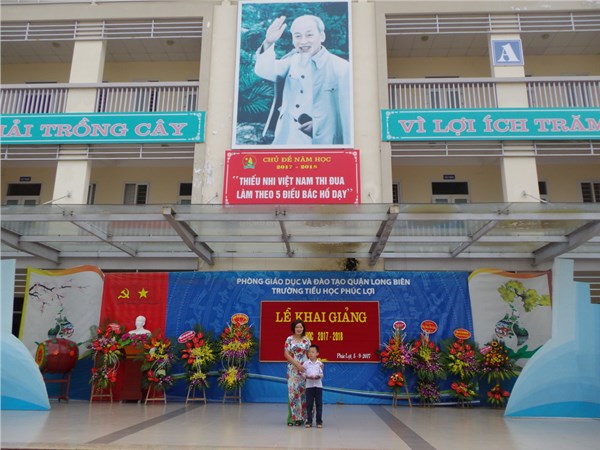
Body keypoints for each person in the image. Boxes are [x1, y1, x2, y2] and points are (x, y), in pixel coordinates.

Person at [254, 14, 351, 146]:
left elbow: (347, 114)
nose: (303, 41)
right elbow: (264, 70)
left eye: (309, 35)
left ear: (322, 36)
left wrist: (319, 126)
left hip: (324, 142)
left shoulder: (341, 67)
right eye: (298, 36)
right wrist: (268, 42)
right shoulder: (290, 61)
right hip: (287, 138)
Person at [284, 319, 311, 426]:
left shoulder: (306, 340)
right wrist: (297, 365)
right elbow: (286, 354)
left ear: (303, 328)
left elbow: (310, 354)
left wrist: (314, 365)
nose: (299, 329)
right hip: (292, 370)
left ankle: (301, 418)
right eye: (297, 327)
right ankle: (292, 418)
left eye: (301, 327)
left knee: (303, 393)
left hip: (304, 370)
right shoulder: (289, 339)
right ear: (293, 328)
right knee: (293, 392)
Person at [302, 344, 324, 429]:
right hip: (309, 386)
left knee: (319, 404)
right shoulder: (306, 363)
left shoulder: (320, 364)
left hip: (318, 386)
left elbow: (321, 374)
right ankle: (309, 421)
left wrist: (319, 376)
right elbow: (303, 373)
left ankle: (319, 421)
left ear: (317, 353)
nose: (310, 354)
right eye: (309, 352)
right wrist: (305, 376)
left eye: (313, 352)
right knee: (309, 404)